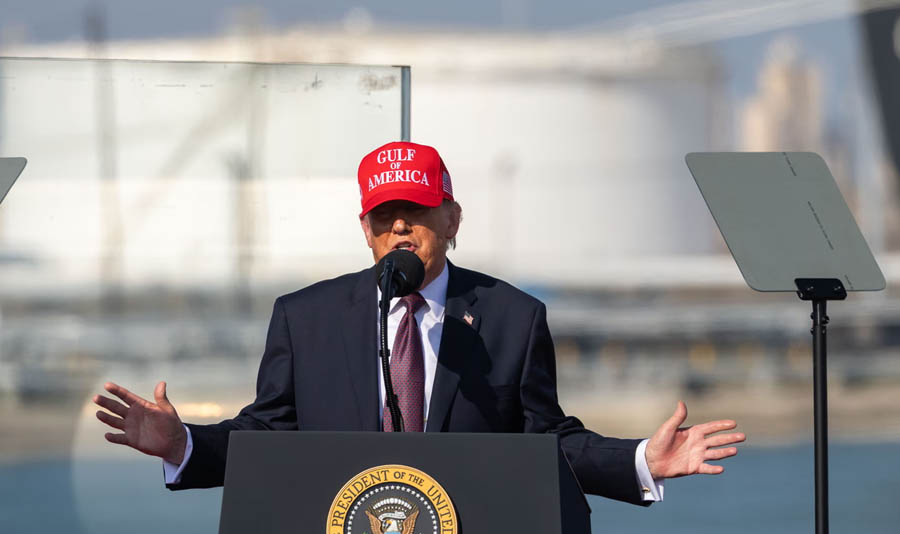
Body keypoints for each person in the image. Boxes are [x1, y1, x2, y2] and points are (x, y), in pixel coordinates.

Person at [93, 141, 744, 504]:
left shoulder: (513, 319)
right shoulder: (305, 319)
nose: (400, 225)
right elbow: (265, 437)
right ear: (366, 229)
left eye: (417, 210)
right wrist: (182, 444)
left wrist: (640, 460)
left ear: (451, 220)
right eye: (384, 214)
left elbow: (549, 443)